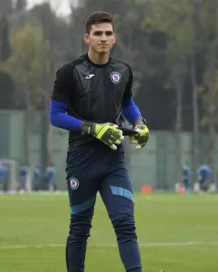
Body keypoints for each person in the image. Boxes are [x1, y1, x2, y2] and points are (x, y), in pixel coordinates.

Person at [49, 11, 149, 272]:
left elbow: (126, 102)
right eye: (97, 34)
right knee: (80, 229)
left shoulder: (123, 71)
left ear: (114, 38)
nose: (103, 38)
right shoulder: (70, 72)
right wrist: (93, 129)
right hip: (81, 159)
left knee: (125, 223)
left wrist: (139, 123)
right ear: (87, 37)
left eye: (107, 34)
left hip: (113, 159)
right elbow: (55, 116)